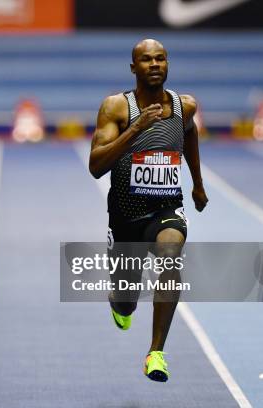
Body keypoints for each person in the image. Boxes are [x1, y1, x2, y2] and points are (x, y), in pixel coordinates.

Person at [88, 39, 208, 382]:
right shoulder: (116, 108)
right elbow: (96, 165)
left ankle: (156, 353)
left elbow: (190, 134)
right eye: (146, 60)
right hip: (125, 216)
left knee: (171, 253)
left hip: (166, 207)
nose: (154, 64)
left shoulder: (185, 106)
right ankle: (121, 305)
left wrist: (197, 183)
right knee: (126, 300)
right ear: (133, 68)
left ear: (168, 64)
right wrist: (136, 129)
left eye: (160, 59)